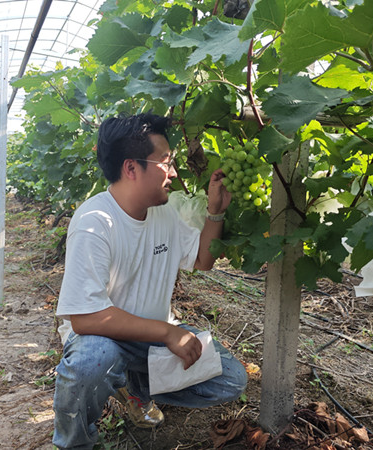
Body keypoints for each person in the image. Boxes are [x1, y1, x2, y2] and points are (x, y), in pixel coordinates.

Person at [52, 113, 247, 449]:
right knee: (89, 363)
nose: (173, 173)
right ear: (131, 168)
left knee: (231, 380)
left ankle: (135, 390)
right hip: (102, 338)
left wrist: (216, 211)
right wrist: (170, 332)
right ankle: (75, 443)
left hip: (148, 340)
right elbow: (84, 319)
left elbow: (202, 261)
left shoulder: (165, 211)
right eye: (165, 162)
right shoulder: (95, 222)